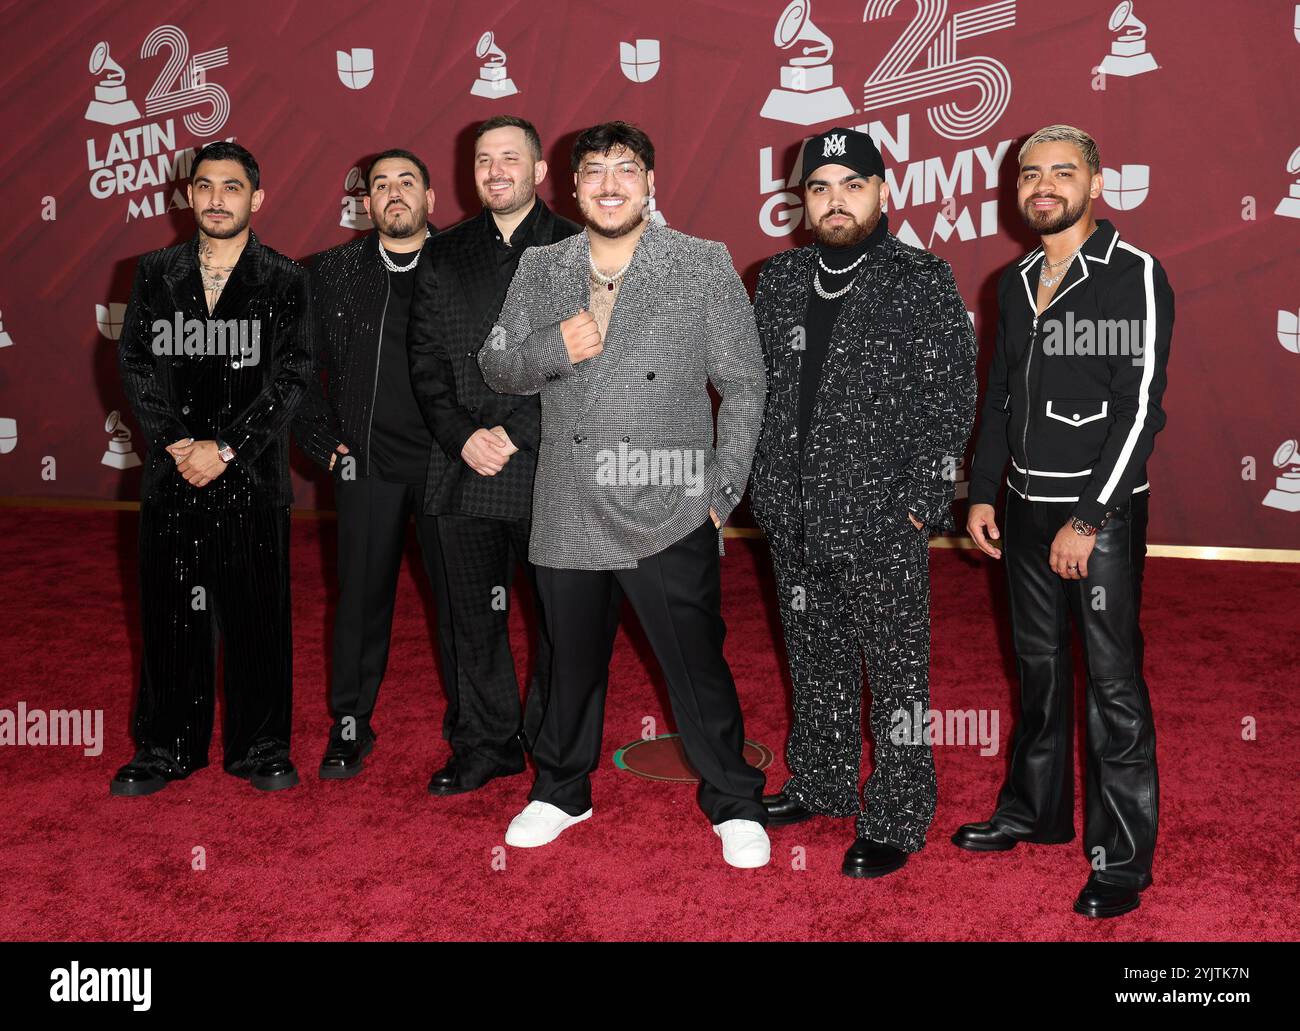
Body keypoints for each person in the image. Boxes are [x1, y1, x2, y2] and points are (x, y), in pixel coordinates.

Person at [478, 121, 771, 868]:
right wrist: (553, 348)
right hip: (569, 503)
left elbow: (743, 382)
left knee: (696, 664)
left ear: (650, 184)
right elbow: (497, 364)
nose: (610, 184)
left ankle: (733, 797)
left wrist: (719, 491)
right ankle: (561, 788)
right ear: (572, 189)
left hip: (669, 502)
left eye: (627, 170)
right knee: (567, 662)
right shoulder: (543, 266)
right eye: (595, 171)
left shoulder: (701, 263)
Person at [955, 124, 1173, 919]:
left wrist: (1089, 517)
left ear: (1096, 182)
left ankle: (1120, 857)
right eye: (1030, 174)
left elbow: (1140, 407)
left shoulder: (1135, 276)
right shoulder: (1013, 283)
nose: (1043, 186)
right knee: (1038, 666)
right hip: (1021, 503)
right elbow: (1003, 396)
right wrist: (984, 491)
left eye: (1062, 172)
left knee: (1112, 683)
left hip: (1099, 513)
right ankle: (1033, 810)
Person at [750, 127, 977, 878]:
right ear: (802, 201)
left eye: (852, 185)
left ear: (882, 193)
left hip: (883, 516)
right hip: (793, 511)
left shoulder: (921, 277)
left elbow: (951, 398)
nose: (835, 200)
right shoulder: (778, 279)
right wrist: (764, 489)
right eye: (820, 187)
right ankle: (820, 782)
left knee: (898, 674)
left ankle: (900, 810)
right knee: (813, 659)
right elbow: (761, 395)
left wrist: (923, 502)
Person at [112, 141, 312, 795]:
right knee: (173, 615)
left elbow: (292, 376)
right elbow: (136, 365)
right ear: (189, 195)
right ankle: (168, 745)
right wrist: (177, 444)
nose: (217, 198)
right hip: (173, 477)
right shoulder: (154, 273)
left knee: (257, 616)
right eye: (205, 186)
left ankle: (260, 746)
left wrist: (224, 448)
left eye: (232, 187)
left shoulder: (284, 280)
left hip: (250, 477)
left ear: (256, 197)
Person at [407, 116, 583, 795]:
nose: (496, 170)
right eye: (484, 159)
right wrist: (461, 436)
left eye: (511, 158)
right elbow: (423, 362)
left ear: (539, 171)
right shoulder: (443, 253)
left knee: (556, 621)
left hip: (547, 466)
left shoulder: (576, 247)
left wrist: (512, 432)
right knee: (469, 618)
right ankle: (484, 744)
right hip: (461, 466)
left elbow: (586, 359)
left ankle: (551, 745)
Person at [291, 149, 457, 780]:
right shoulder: (330, 272)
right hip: (367, 464)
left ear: (430, 199)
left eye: (405, 182)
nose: (392, 193)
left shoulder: (462, 264)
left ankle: (473, 732)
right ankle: (350, 728)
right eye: (378, 185)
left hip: (452, 463)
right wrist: (319, 437)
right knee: (360, 603)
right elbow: (300, 367)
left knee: (462, 607)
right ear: (365, 202)